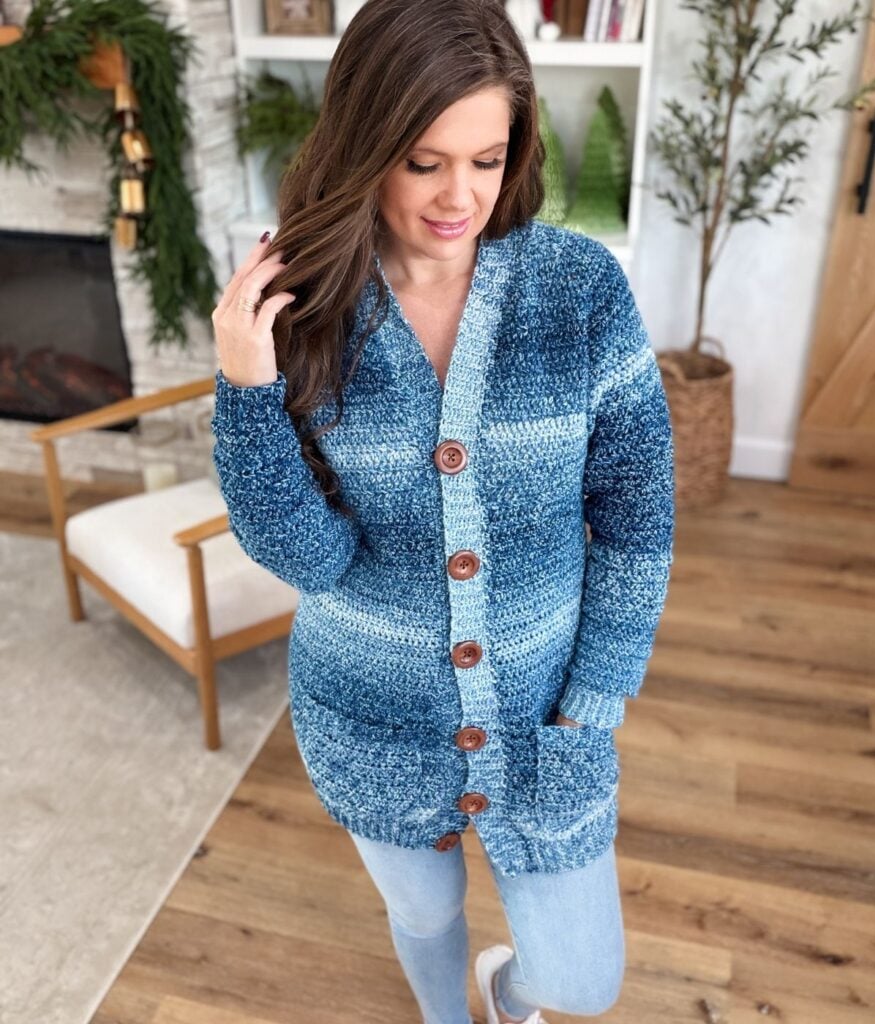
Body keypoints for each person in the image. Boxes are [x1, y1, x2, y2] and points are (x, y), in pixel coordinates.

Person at [210, 1, 676, 1021]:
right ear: (364, 145)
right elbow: (309, 559)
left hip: (547, 714)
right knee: (423, 916)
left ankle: (505, 990)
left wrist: (592, 704)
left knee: (581, 982)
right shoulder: (306, 310)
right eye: (423, 162)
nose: (459, 195)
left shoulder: (578, 291)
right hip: (369, 713)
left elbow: (637, 518)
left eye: (486, 158)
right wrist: (246, 387)